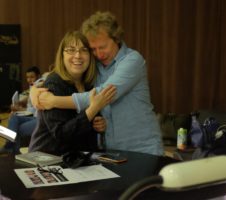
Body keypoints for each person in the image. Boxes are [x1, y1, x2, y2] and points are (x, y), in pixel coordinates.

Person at [31, 11, 163, 156]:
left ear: (117, 39)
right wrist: (36, 90)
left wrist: (54, 101)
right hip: (112, 149)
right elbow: (63, 73)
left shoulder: (132, 60)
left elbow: (101, 95)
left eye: (103, 47)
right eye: (93, 49)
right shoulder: (96, 66)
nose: (99, 54)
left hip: (142, 146)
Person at [29, 31, 116, 155]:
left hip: (76, 159)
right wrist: (92, 110)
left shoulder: (89, 84)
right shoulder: (54, 83)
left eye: (84, 50)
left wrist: (99, 124)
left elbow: (84, 127)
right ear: (62, 56)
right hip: (47, 159)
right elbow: (61, 134)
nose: (78, 55)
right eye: (71, 50)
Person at [0, 66, 41, 153]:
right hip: (33, 116)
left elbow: (34, 109)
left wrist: (20, 109)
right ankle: (10, 147)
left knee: (15, 128)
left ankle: (13, 150)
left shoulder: (39, 85)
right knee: (13, 118)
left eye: (32, 77)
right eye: (27, 77)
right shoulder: (33, 86)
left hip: (39, 118)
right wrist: (20, 103)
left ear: (38, 76)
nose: (29, 80)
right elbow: (29, 100)